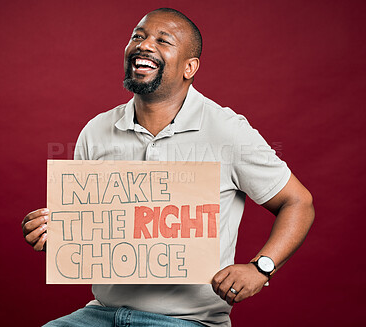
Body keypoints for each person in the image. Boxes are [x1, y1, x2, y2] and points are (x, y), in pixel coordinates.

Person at [21, 8, 314, 327]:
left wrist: (261, 268)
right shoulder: (96, 130)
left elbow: (299, 202)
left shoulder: (227, 131)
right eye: (138, 36)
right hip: (101, 312)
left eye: (163, 40)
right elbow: (93, 235)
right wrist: (58, 235)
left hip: (187, 320)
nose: (144, 45)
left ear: (190, 67)